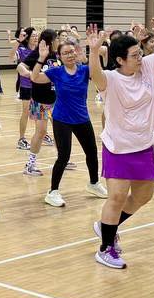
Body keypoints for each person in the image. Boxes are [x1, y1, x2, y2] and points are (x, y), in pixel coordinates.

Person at [90, 19, 154, 270]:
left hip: (144, 145)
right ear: (120, 60)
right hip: (118, 146)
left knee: (143, 196)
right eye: (135, 55)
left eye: (140, 53)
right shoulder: (110, 79)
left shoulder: (147, 67)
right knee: (117, 197)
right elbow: (95, 74)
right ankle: (106, 248)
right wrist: (94, 51)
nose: (140, 58)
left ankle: (107, 226)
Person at [30, 31, 107, 206]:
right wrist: (41, 58)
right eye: (65, 53)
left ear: (77, 52)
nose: (70, 55)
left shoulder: (84, 70)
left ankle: (94, 183)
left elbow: (99, 74)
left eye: (72, 51)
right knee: (63, 156)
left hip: (82, 118)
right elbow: (34, 77)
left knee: (92, 152)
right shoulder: (56, 72)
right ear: (60, 56)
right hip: (62, 119)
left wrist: (93, 51)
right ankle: (52, 192)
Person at [19, 29, 59, 177]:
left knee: (60, 130)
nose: (58, 41)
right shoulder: (38, 54)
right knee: (41, 132)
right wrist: (29, 74)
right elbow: (20, 66)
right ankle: (30, 164)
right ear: (51, 41)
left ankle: (63, 158)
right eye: (56, 39)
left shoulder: (56, 55)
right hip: (41, 100)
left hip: (56, 100)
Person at [15, 27, 37, 149]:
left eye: (37, 35)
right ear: (27, 38)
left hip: (39, 85)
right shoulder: (22, 50)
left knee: (41, 111)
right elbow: (11, 56)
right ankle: (21, 139)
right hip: (26, 85)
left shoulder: (39, 50)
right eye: (33, 35)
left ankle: (42, 133)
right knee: (26, 111)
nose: (36, 38)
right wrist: (18, 42)